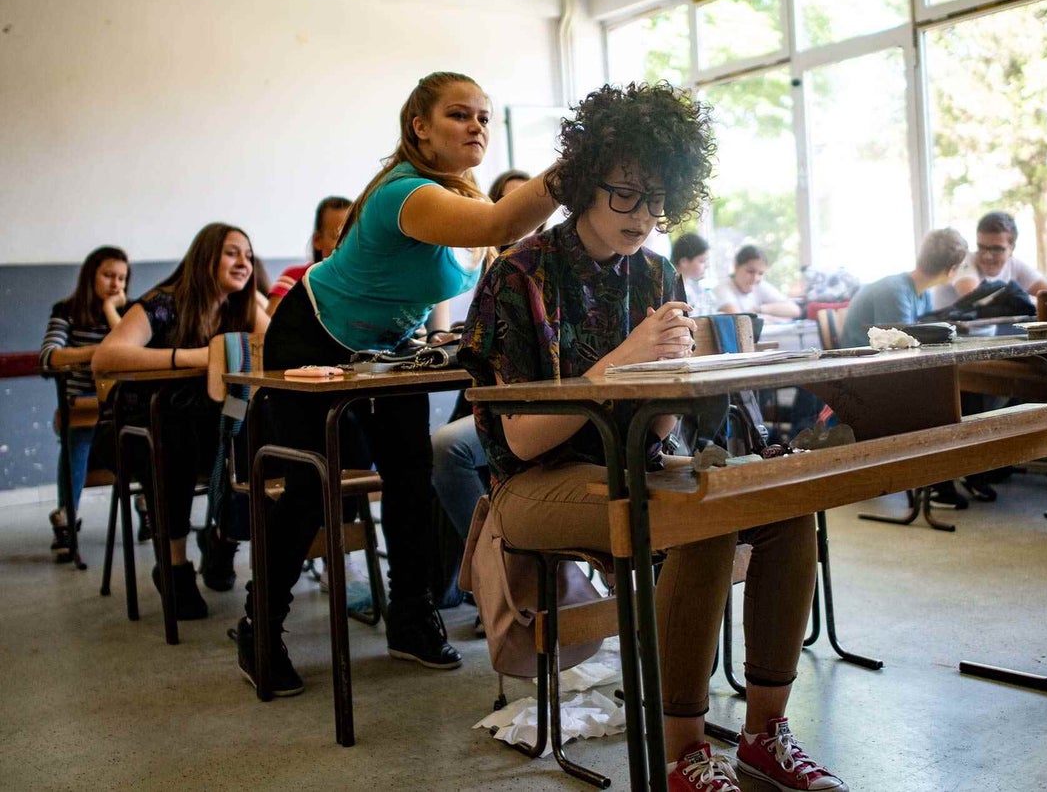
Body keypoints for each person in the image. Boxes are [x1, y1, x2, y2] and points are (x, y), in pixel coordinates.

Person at [459, 81, 847, 792]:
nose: (644, 215)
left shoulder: (658, 271)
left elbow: (661, 424)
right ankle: (683, 751)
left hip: (639, 460)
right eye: (626, 194)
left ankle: (765, 731)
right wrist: (621, 361)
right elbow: (518, 441)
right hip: (534, 484)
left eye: (658, 198)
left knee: (787, 502)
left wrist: (695, 366)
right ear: (583, 181)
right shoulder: (521, 274)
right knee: (700, 512)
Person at [235, 72, 559, 697]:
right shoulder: (404, 192)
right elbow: (498, 225)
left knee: (410, 476)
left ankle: (411, 618)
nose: (477, 127)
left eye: (485, 118)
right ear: (420, 127)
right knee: (309, 485)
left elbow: (450, 276)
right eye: (459, 115)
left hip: (385, 348)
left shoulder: (453, 196)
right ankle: (260, 628)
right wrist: (577, 163)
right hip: (312, 333)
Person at [93, 223, 267, 618]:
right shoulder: (162, 303)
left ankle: (223, 536)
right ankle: (174, 564)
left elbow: (274, 351)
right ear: (205, 257)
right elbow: (106, 357)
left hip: (205, 430)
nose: (244, 262)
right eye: (232, 253)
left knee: (255, 424)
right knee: (174, 430)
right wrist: (191, 356)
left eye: (249, 256)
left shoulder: (241, 307)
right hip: (133, 432)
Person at [431, 166, 532, 619]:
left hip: (535, 409)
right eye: (510, 209)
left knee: (446, 449)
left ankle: (499, 581)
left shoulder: (548, 266)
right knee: (439, 450)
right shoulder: (481, 267)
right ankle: (470, 580)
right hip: (490, 395)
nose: (522, 221)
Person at [40, 246, 130, 559]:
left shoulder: (126, 312)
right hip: (84, 404)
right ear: (90, 275)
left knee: (147, 432)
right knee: (78, 439)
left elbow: (131, 349)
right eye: (108, 276)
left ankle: (148, 505)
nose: (115, 284)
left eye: (121, 277)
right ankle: (67, 515)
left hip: (122, 403)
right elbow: (50, 355)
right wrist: (99, 354)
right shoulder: (67, 310)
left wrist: (110, 309)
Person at [841, 228, 968, 349]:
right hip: (861, 363)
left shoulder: (924, 294)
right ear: (952, 270)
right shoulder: (894, 292)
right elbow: (899, 346)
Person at [932, 211, 1047, 309]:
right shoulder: (964, 261)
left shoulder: (1014, 265)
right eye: (982, 247)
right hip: (946, 338)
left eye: (996, 249)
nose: (987, 256)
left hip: (982, 337)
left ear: (1012, 248)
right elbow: (976, 299)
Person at [265, 196, 352, 315]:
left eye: (353, 235)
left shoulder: (368, 283)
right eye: (337, 236)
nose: (347, 244)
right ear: (317, 240)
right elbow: (269, 326)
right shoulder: (295, 279)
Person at [715, 245, 801, 321]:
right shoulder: (722, 288)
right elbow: (737, 320)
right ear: (736, 267)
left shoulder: (758, 285)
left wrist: (759, 310)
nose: (755, 278)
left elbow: (795, 310)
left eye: (761, 273)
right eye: (750, 271)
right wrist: (767, 317)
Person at [671, 232, 718, 315]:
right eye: (702, 261)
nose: (706, 266)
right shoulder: (669, 290)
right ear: (684, 262)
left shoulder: (695, 287)